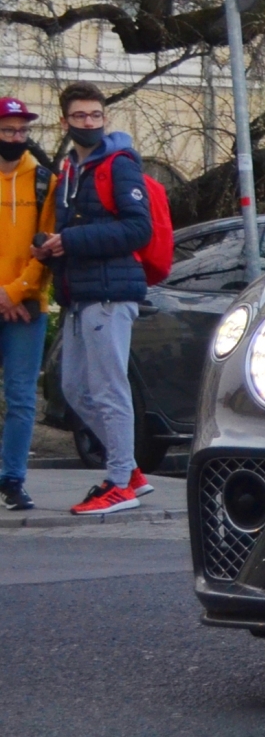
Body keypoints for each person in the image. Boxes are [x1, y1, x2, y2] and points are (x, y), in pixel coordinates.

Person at [35, 84, 154, 516]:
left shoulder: (118, 166)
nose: (89, 123)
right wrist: (49, 246)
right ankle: (130, 471)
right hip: (80, 294)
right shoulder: (70, 169)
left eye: (95, 116)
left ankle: (120, 481)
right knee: (75, 389)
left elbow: (139, 229)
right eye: (80, 116)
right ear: (64, 120)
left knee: (108, 389)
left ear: (104, 118)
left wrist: (71, 239)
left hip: (109, 293)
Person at [0, 96, 53, 510]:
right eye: (8, 131)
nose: (16, 138)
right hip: (8, 300)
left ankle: (12, 479)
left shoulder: (43, 181)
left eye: (21, 131)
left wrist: (14, 293)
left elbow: (46, 248)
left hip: (26, 307)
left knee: (21, 397)